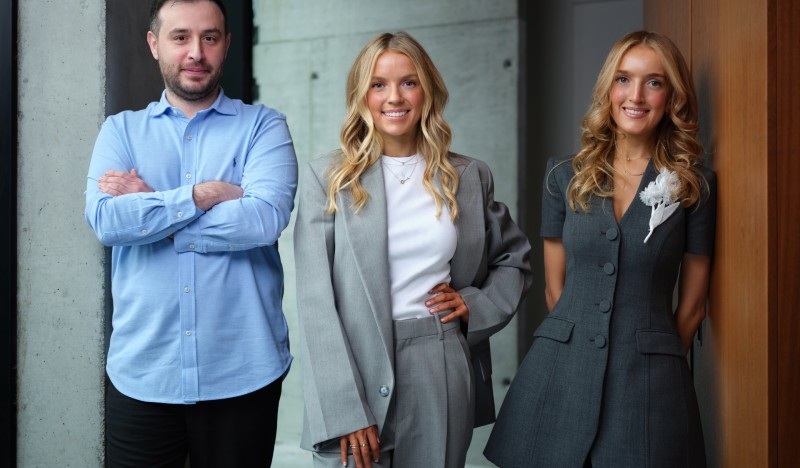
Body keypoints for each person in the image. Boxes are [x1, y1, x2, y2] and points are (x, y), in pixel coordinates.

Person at [293, 31, 532, 468]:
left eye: (409, 82)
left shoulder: (468, 176)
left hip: (437, 361)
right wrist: (345, 408)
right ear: (361, 94)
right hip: (355, 369)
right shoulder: (327, 179)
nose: (394, 97)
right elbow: (314, 303)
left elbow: (514, 260)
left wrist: (474, 306)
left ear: (428, 91)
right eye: (378, 84)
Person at [84, 0, 297, 467]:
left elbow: (263, 220)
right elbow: (105, 221)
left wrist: (153, 208)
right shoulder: (120, 131)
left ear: (225, 44)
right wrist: (200, 195)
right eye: (181, 37)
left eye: (210, 37)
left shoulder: (264, 127)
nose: (196, 52)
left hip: (243, 371)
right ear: (154, 43)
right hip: (144, 373)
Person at [485, 30, 716, 467]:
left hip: (648, 383)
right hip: (560, 373)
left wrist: (651, 360)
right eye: (623, 79)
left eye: (654, 81)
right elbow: (555, 290)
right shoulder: (563, 176)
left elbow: (693, 308)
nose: (636, 96)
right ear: (608, 89)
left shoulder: (695, 186)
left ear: (671, 95)